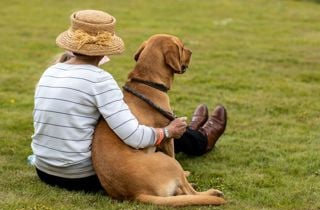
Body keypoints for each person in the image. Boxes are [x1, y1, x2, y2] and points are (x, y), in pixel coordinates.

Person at [31, 9, 227, 192]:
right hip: (79, 177)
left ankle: (194, 135)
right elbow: (133, 136)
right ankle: (199, 139)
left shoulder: (52, 71)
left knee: (145, 117)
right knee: (152, 124)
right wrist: (168, 131)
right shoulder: (100, 80)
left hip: (44, 170)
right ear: (105, 48)